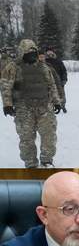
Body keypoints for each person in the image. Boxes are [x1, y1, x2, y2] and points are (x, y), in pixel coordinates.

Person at [0, 39, 62, 168]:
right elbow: (6, 86)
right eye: (28, 52)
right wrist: (7, 104)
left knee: (49, 136)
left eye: (34, 52)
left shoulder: (43, 66)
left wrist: (56, 101)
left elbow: (51, 85)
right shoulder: (13, 67)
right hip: (24, 108)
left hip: (44, 107)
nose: (32, 55)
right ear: (22, 52)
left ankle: (46, 161)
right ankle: (30, 164)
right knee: (27, 138)